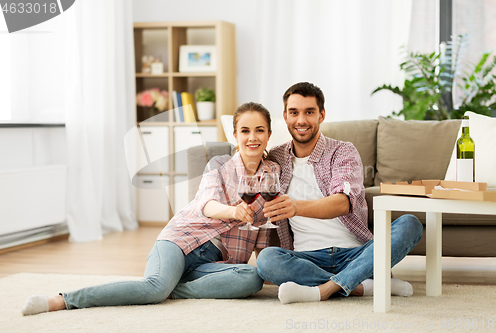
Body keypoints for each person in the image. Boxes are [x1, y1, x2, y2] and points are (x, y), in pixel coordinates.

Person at [21, 102, 280, 315]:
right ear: (235, 135)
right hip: (181, 240)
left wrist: (272, 267)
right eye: (245, 131)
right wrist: (234, 212)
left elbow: (264, 229)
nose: (252, 137)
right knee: (154, 288)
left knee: (252, 278)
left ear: (269, 134)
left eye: (259, 130)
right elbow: (206, 204)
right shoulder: (219, 164)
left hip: (218, 261)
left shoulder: (273, 174)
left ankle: (173, 288)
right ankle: (64, 299)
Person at [255, 82, 423, 304]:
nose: (301, 120)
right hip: (308, 258)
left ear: (322, 115)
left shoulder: (342, 151)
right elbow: (247, 167)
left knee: (410, 224)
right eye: (294, 113)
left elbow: (343, 203)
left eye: (309, 112)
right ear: (285, 116)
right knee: (267, 260)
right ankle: (362, 286)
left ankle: (323, 290)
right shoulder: (277, 158)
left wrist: (296, 207)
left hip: (355, 254)